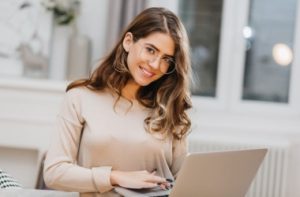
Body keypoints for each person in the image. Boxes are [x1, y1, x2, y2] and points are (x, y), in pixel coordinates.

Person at [43, 7, 192, 197]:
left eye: (166, 59)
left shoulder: (171, 106)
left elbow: (183, 181)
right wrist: (115, 177)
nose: (155, 65)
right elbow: (54, 172)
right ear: (128, 41)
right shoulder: (79, 97)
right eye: (150, 50)